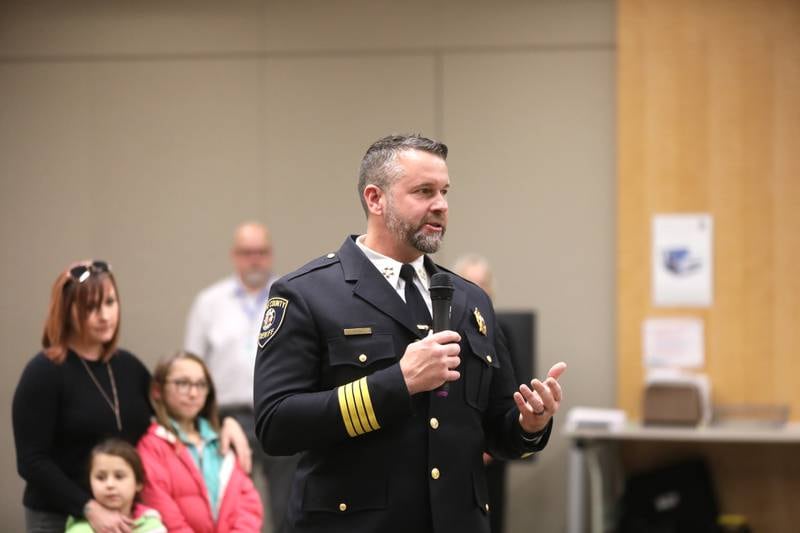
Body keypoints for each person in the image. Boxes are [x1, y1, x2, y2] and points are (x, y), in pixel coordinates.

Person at [253, 134, 567, 533]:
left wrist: (529, 425)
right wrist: (398, 383)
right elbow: (275, 425)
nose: (441, 205)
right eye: (424, 191)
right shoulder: (307, 293)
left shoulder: (470, 300)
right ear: (375, 199)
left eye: (445, 192)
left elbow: (493, 432)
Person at [12, 260, 251, 533]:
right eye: (92, 307)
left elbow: (179, 408)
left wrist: (227, 421)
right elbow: (31, 462)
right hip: (57, 516)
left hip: (124, 516)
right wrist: (89, 507)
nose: (105, 315)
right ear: (69, 311)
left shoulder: (127, 366)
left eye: (110, 302)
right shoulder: (44, 372)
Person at [185, 221, 299, 532]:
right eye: (247, 253)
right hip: (228, 419)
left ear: (271, 254)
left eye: (261, 252)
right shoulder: (209, 303)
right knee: (233, 509)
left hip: (281, 413)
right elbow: (192, 366)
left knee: (288, 506)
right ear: (234, 256)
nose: (255, 260)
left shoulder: (290, 296)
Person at [137, 351, 263, 532]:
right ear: (158, 390)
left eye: (201, 385)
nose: (194, 393)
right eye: (182, 383)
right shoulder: (152, 445)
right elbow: (163, 512)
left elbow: (248, 504)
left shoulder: (222, 440)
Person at [453, 253, 510, 533]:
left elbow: (509, 393)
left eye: (483, 283)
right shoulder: (445, 333)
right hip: (454, 451)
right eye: (470, 282)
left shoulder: (502, 331)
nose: (478, 290)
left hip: (492, 449)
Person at [65, 438, 166, 533]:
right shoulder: (79, 529)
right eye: (101, 478)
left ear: (138, 483)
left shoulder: (153, 526)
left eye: (119, 476)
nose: (110, 485)